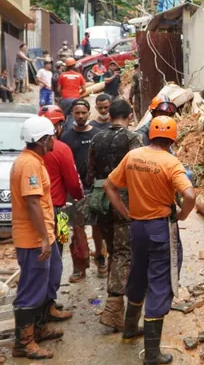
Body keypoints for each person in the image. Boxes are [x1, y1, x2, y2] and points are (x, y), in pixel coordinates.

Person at [104, 116, 196, 364]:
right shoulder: (171, 162)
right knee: (160, 281)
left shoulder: (133, 156)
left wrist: (125, 212)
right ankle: (152, 354)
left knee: (138, 274)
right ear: (172, 138)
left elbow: (109, 186)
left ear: (150, 135)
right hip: (160, 228)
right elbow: (189, 193)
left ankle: (130, 327)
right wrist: (183, 214)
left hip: (137, 227)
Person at [10, 117, 65, 359]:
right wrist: (43, 238)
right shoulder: (29, 165)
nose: (54, 139)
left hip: (42, 236)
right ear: (43, 140)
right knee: (31, 289)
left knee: (46, 281)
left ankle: (38, 329)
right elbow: (32, 202)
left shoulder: (34, 161)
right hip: (33, 239)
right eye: (51, 136)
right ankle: (24, 343)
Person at [87, 99, 143, 331]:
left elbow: (89, 172)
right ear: (129, 116)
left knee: (113, 250)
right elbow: (138, 173)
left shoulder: (96, 137)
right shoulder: (133, 139)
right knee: (123, 252)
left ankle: (116, 306)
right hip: (123, 199)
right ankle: (113, 305)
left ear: (109, 115)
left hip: (100, 199)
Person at [39, 105, 84, 289]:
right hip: (60, 210)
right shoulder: (61, 148)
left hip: (35, 210)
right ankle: (49, 299)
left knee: (39, 252)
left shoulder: (27, 151)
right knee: (59, 250)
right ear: (57, 127)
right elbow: (73, 183)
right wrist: (79, 197)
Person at [60, 99, 106, 280]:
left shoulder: (98, 134)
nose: (80, 116)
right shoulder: (66, 137)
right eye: (77, 113)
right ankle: (80, 266)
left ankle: (100, 258)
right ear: (72, 115)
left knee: (98, 226)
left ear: (89, 113)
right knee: (77, 228)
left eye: (83, 113)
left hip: (94, 188)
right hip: (73, 189)